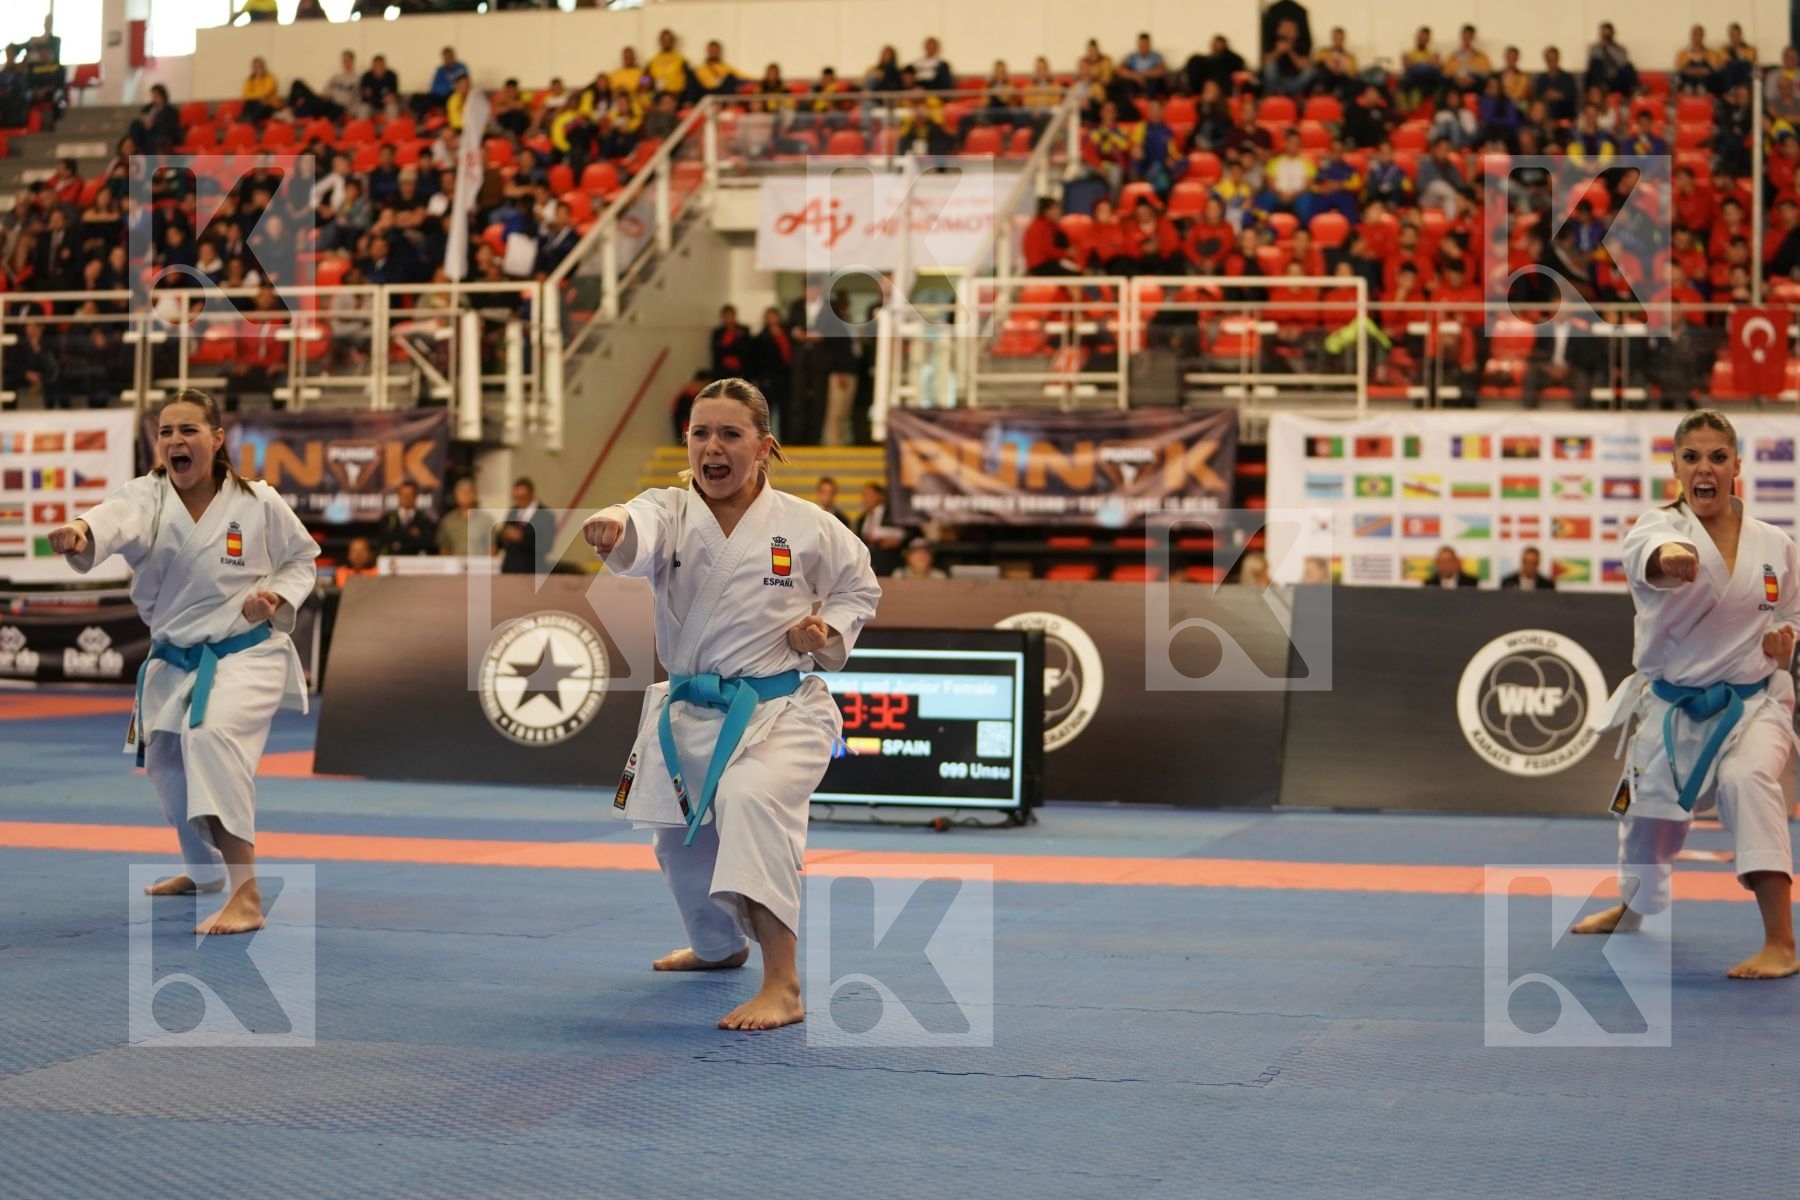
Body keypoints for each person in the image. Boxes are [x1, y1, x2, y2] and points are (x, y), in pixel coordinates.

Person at [580, 377, 881, 1030]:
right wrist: (615, 526)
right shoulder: (667, 511)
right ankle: (719, 947)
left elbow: (859, 586)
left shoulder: (805, 524)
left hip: (779, 712)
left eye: (730, 434)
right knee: (678, 844)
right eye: (700, 433)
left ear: (764, 447)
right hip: (690, 713)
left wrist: (826, 629)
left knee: (749, 800)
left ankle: (784, 985)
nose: (712, 447)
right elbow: (636, 527)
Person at [46, 389, 318, 935]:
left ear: (216, 440)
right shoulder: (147, 496)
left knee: (210, 737)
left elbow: (301, 558)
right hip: (174, 657)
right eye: (166, 431)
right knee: (167, 762)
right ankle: (205, 871)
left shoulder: (258, 501)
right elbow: (111, 517)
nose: (175, 440)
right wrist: (81, 531)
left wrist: (276, 597)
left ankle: (246, 894)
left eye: (188, 430)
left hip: (246, 650)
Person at [1577, 410, 1800, 980]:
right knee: (1645, 819)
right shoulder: (1654, 529)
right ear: (1675, 466)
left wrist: (1786, 637)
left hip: (1753, 704)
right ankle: (1633, 908)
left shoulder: (1776, 543)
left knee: (1747, 781)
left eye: (1718, 457)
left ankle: (1781, 942)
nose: (1706, 468)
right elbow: (1649, 556)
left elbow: (1790, 611)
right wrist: (1670, 558)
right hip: (1672, 707)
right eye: (1692, 457)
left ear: (1736, 466)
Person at [496, 477, 556, 574]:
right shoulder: (513, 512)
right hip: (510, 570)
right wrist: (502, 536)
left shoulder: (545, 516)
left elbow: (545, 546)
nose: (519, 501)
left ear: (532, 495)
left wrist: (521, 538)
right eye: (516, 497)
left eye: (523, 497)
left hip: (532, 571)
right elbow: (503, 540)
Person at [378, 480, 437, 556]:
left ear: (415, 497)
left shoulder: (424, 520)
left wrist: (399, 541)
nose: (407, 498)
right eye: (404, 495)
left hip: (415, 560)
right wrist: (412, 534)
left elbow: (427, 542)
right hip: (393, 559)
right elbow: (384, 540)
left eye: (410, 495)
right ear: (398, 496)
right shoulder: (387, 519)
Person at [436, 477, 479, 558]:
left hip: (479, 564)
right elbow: (443, 548)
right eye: (462, 492)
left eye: (469, 492)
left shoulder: (486, 520)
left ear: (475, 495)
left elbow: (492, 548)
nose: (465, 495)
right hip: (454, 564)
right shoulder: (447, 521)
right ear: (455, 496)